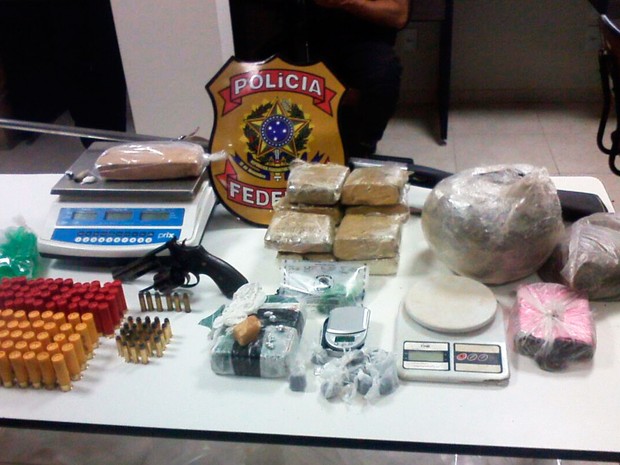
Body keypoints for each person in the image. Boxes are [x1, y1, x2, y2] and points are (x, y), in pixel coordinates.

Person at [304, 0, 410, 158]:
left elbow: (399, 15)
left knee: (383, 77)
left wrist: (346, 2)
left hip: (365, 39)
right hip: (301, 34)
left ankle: (363, 145)